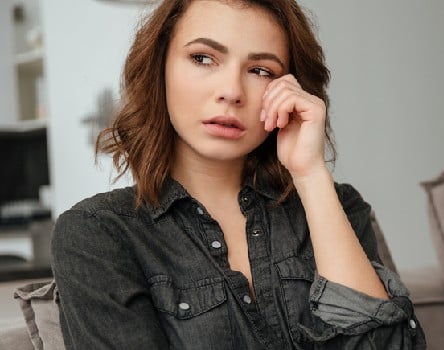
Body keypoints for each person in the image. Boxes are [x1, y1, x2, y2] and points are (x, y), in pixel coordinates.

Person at [50, 1, 425, 349]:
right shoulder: (97, 234)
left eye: (260, 70)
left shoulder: (338, 206)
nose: (231, 92)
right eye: (202, 58)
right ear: (160, 68)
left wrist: (311, 174)